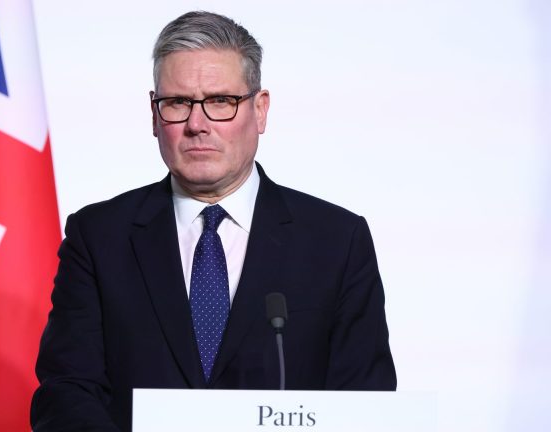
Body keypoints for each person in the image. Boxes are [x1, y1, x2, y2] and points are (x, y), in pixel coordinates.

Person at [30, 11, 396, 432]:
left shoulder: (336, 242)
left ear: (260, 110)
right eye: (177, 103)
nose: (197, 125)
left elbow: (365, 404)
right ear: (154, 115)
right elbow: (67, 393)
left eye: (220, 101)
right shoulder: (98, 237)